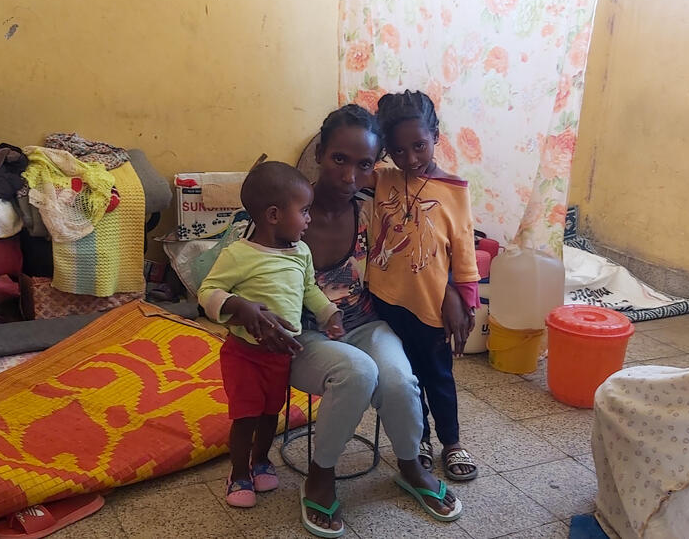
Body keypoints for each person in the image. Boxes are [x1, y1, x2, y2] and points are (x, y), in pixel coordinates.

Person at [241, 105, 464, 537]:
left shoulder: (371, 211)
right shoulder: (284, 213)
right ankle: (321, 474)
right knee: (358, 372)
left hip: (364, 323)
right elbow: (241, 270)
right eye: (339, 160)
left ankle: (409, 466)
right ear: (320, 154)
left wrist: (453, 286)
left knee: (400, 378)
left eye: (364, 165)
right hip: (300, 336)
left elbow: (433, 239)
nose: (349, 176)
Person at [198, 161, 346, 509]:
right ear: (275, 215)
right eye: (304, 211)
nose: (309, 219)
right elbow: (207, 292)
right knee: (246, 415)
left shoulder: (301, 253)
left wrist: (330, 314)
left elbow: (309, 290)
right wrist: (241, 305)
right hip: (245, 354)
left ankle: (261, 460)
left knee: (270, 414)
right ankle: (238, 473)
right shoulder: (239, 254)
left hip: (280, 356)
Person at [368, 90, 481, 483]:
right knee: (404, 376)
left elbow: (464, 252)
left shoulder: (454, 190)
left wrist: (466, 303)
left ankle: (451, 441)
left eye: (419, 145)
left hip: (430, 304)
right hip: (384, 300)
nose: (410, 158)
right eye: (398, 151)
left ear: (436, 135)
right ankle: (419, 439)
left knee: (437, 376)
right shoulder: (382, 179)